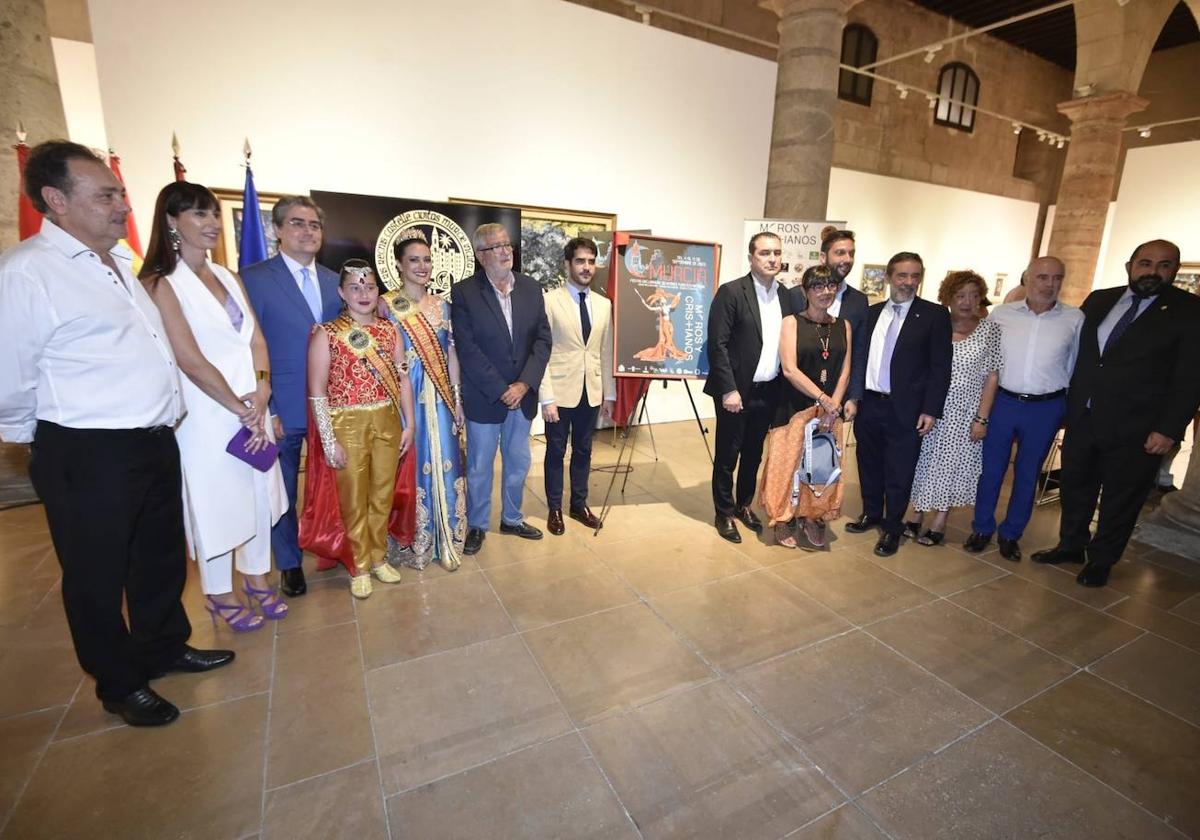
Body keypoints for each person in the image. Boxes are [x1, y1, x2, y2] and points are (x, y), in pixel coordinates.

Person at [0, 141, 232, 727]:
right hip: (86, 447)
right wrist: (45, 443)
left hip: (151, 440)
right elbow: (8, 378)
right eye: (106, 194)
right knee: (96, 573)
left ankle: (161, 646)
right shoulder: (26, 273)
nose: (123, 205)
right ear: (55, 201)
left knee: (157, 558)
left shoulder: (118, 266)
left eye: (120, 193)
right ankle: (119, 681)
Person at [140, 182, 289, 630]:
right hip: (206, 414)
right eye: (198, 215)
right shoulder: (160, 283)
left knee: (259, 496)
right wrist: (235, 404)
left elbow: (257, 341)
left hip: (250, 404)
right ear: (171, 221)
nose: (209, 224)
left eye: (212, 215)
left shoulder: (228, 275)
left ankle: (258, 579)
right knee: (217, 502)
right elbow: (188, 357)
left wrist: (261, 392)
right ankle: (219, 592)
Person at [1033, 240, 1200, 587]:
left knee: (1121, 498)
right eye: (1145, 263)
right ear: (1130, 266)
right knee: (1076, 487)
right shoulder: (1100, 299)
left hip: (1138, 428)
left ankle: (1102, 559)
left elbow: (1190, 378)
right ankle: (1070, 545)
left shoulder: (1188, 311)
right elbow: (1079, 354)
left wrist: (1168, 429)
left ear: (1175, 270)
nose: (1153, 272)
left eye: (1164, 265)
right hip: (1084, 417)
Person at [242, 196, 342, 598]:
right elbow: (247, 346)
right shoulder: (252, 279)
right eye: (298, 223)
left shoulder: (338, 282)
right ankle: (288, 563)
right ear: (278, 230)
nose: (308, 231)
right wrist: (270, 409)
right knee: (281, 488)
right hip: (281, 405)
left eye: (315, 225)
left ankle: (338, 547)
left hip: (333, 404)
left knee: (337, 484)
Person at [304, 260, 415, 598]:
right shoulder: (326, 333)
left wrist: (409, 424)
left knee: (382, 494)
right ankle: (359, 565)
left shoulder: (390, 330)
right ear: (341, 292)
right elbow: (317, 391)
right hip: (346, 424)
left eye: (369, 287)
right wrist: (327, 439)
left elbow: (402, 379)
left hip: (387, 420)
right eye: (355, 287)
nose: (363, 293)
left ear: (378, 290)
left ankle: (379, 557)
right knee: (353, 499)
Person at [964, 257, 1082, 560]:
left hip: (1046, 407)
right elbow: (984, 361)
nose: (1049, 284)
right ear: (1027, 280)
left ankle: (1011, 534)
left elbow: (1075, 365)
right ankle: (981, 528)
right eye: (1042, 277)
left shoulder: (1074, 319)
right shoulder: (1001, 315)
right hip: (1003, 402)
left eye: (1057, 278)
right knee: (990, 471)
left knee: (1028, 474)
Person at [451, 223, 551, 555]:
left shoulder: (531, 288)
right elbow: (467, 348)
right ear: (481, 255)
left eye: (507, 244)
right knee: (480, 466)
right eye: (496, 247)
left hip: (522, 397)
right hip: (485, 397)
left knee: (518, 462)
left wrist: (524, 383)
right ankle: (478, 524)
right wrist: (500, 388)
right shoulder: (465, 292)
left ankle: (511, 518)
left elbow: (542, 341)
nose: (506, 251)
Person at [845, 252, 952, 557]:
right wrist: (854, 397)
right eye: (902, 275)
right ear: (889, 277)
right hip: (870, 404)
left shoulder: (934, 315)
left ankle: (893, 528)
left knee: (899, 471)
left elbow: (940, 367)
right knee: (868, 463)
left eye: (915, 276)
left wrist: (931, 409)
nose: (909, 282)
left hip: (906, 409)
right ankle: (871, 513)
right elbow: (861, 358)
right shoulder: (873, 312)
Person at [380, 229, 467, 570]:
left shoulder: (443, 305)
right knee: (411, 465)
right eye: (414, 260)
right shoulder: (386, 305)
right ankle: (413, 540)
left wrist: (457, 400)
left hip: (441, 394)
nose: (422, 266)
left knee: (447, 460)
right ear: (399, 265)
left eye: (427, 260)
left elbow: (452, 355)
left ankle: (447, 537)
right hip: (405, 397)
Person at [703, 232, 789, 543]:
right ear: (751, 257)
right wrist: (728, 389)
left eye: (777, 253)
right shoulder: (731, 292)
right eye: (765, 253)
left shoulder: (787, 296)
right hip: (736, 393)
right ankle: (723, 512)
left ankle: (743, 505)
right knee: (728, 455)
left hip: (769, 391)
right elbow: (718, 345)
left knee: (754, 454)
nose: (772, 259)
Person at [907, 271, 1001, 546]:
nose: (967, 302)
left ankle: (939, 520)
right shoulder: (936, 324)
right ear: (947, 297)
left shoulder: (990, 330)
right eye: (960, 295)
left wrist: (981, 419)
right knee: (923, 464)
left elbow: (992, 376)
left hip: (965, 412)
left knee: (953, 466)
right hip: (931, 408)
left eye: (973, 295)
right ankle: (915, 513)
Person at [760, 264, 850, 549]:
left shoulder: (843, 325)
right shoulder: (791, 323)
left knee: (820, 467)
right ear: (805, 291)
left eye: (831, 286)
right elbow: (789, 369)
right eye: (818, 287)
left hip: (829, 412)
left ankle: (812, 516)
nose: (825, 292)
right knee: (786, 465)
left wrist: (833, 405)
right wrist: (823, 399)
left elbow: (845, 370)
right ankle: (783, 518)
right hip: (792, 407)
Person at [540, 237, 616, 535]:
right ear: (567, 264)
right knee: (556, 452)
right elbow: (542, 352)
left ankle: (579, 504)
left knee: (584, 450)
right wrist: (546, 398)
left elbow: (605, 350)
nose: (586, 267)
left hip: (592, 391)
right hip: (559, 392)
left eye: (591, 261)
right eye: (580, 261)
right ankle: (555, 508)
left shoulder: (604, 304)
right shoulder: (549, 301)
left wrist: (608, 393)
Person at [812, 229, 869, 423]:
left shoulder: (859, 301)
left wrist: (853, 396)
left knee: (828, 452)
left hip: (838, 400)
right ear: (822, 257)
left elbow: (859, 354)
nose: (847, 259)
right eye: (840, 253)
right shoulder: (797, 296)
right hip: (797, 397)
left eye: (851, 253)